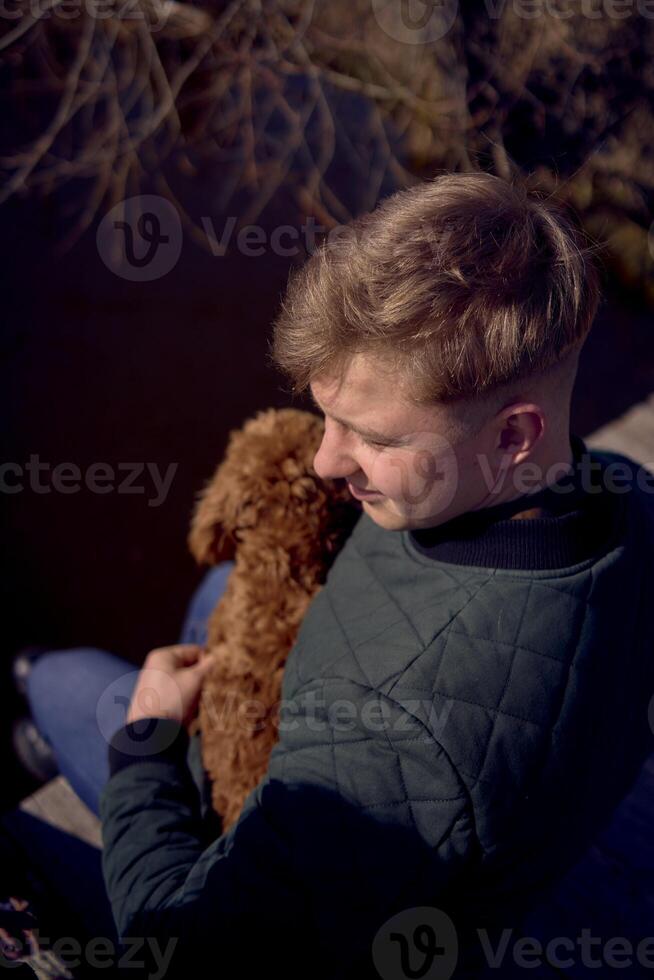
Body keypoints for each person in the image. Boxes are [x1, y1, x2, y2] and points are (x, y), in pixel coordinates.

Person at [27, 172, 654, 979]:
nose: (325, 461)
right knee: (218, 596)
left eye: (372, 438)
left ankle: (37, 717)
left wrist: (145, 748)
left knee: (68, 680)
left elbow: (185, 948)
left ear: (513, 437)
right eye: (326, 416)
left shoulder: (396, 753)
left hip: (306, 844)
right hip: (444, 798)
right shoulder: (625, 498)